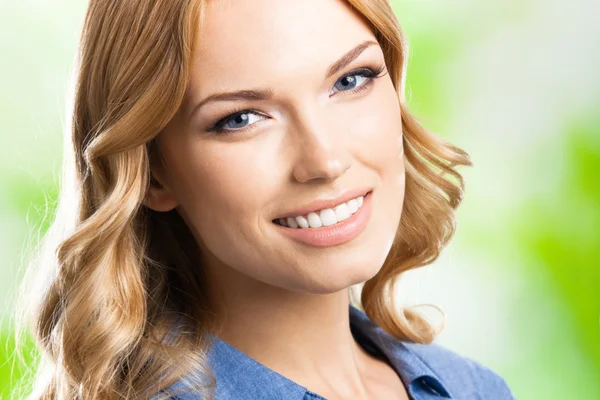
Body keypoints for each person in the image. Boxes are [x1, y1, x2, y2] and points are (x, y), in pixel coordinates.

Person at [15, 0, 517, 399]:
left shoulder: (475, 390)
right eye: (241, 118)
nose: (324, 161)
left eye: (350, 80)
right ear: (153, 173)